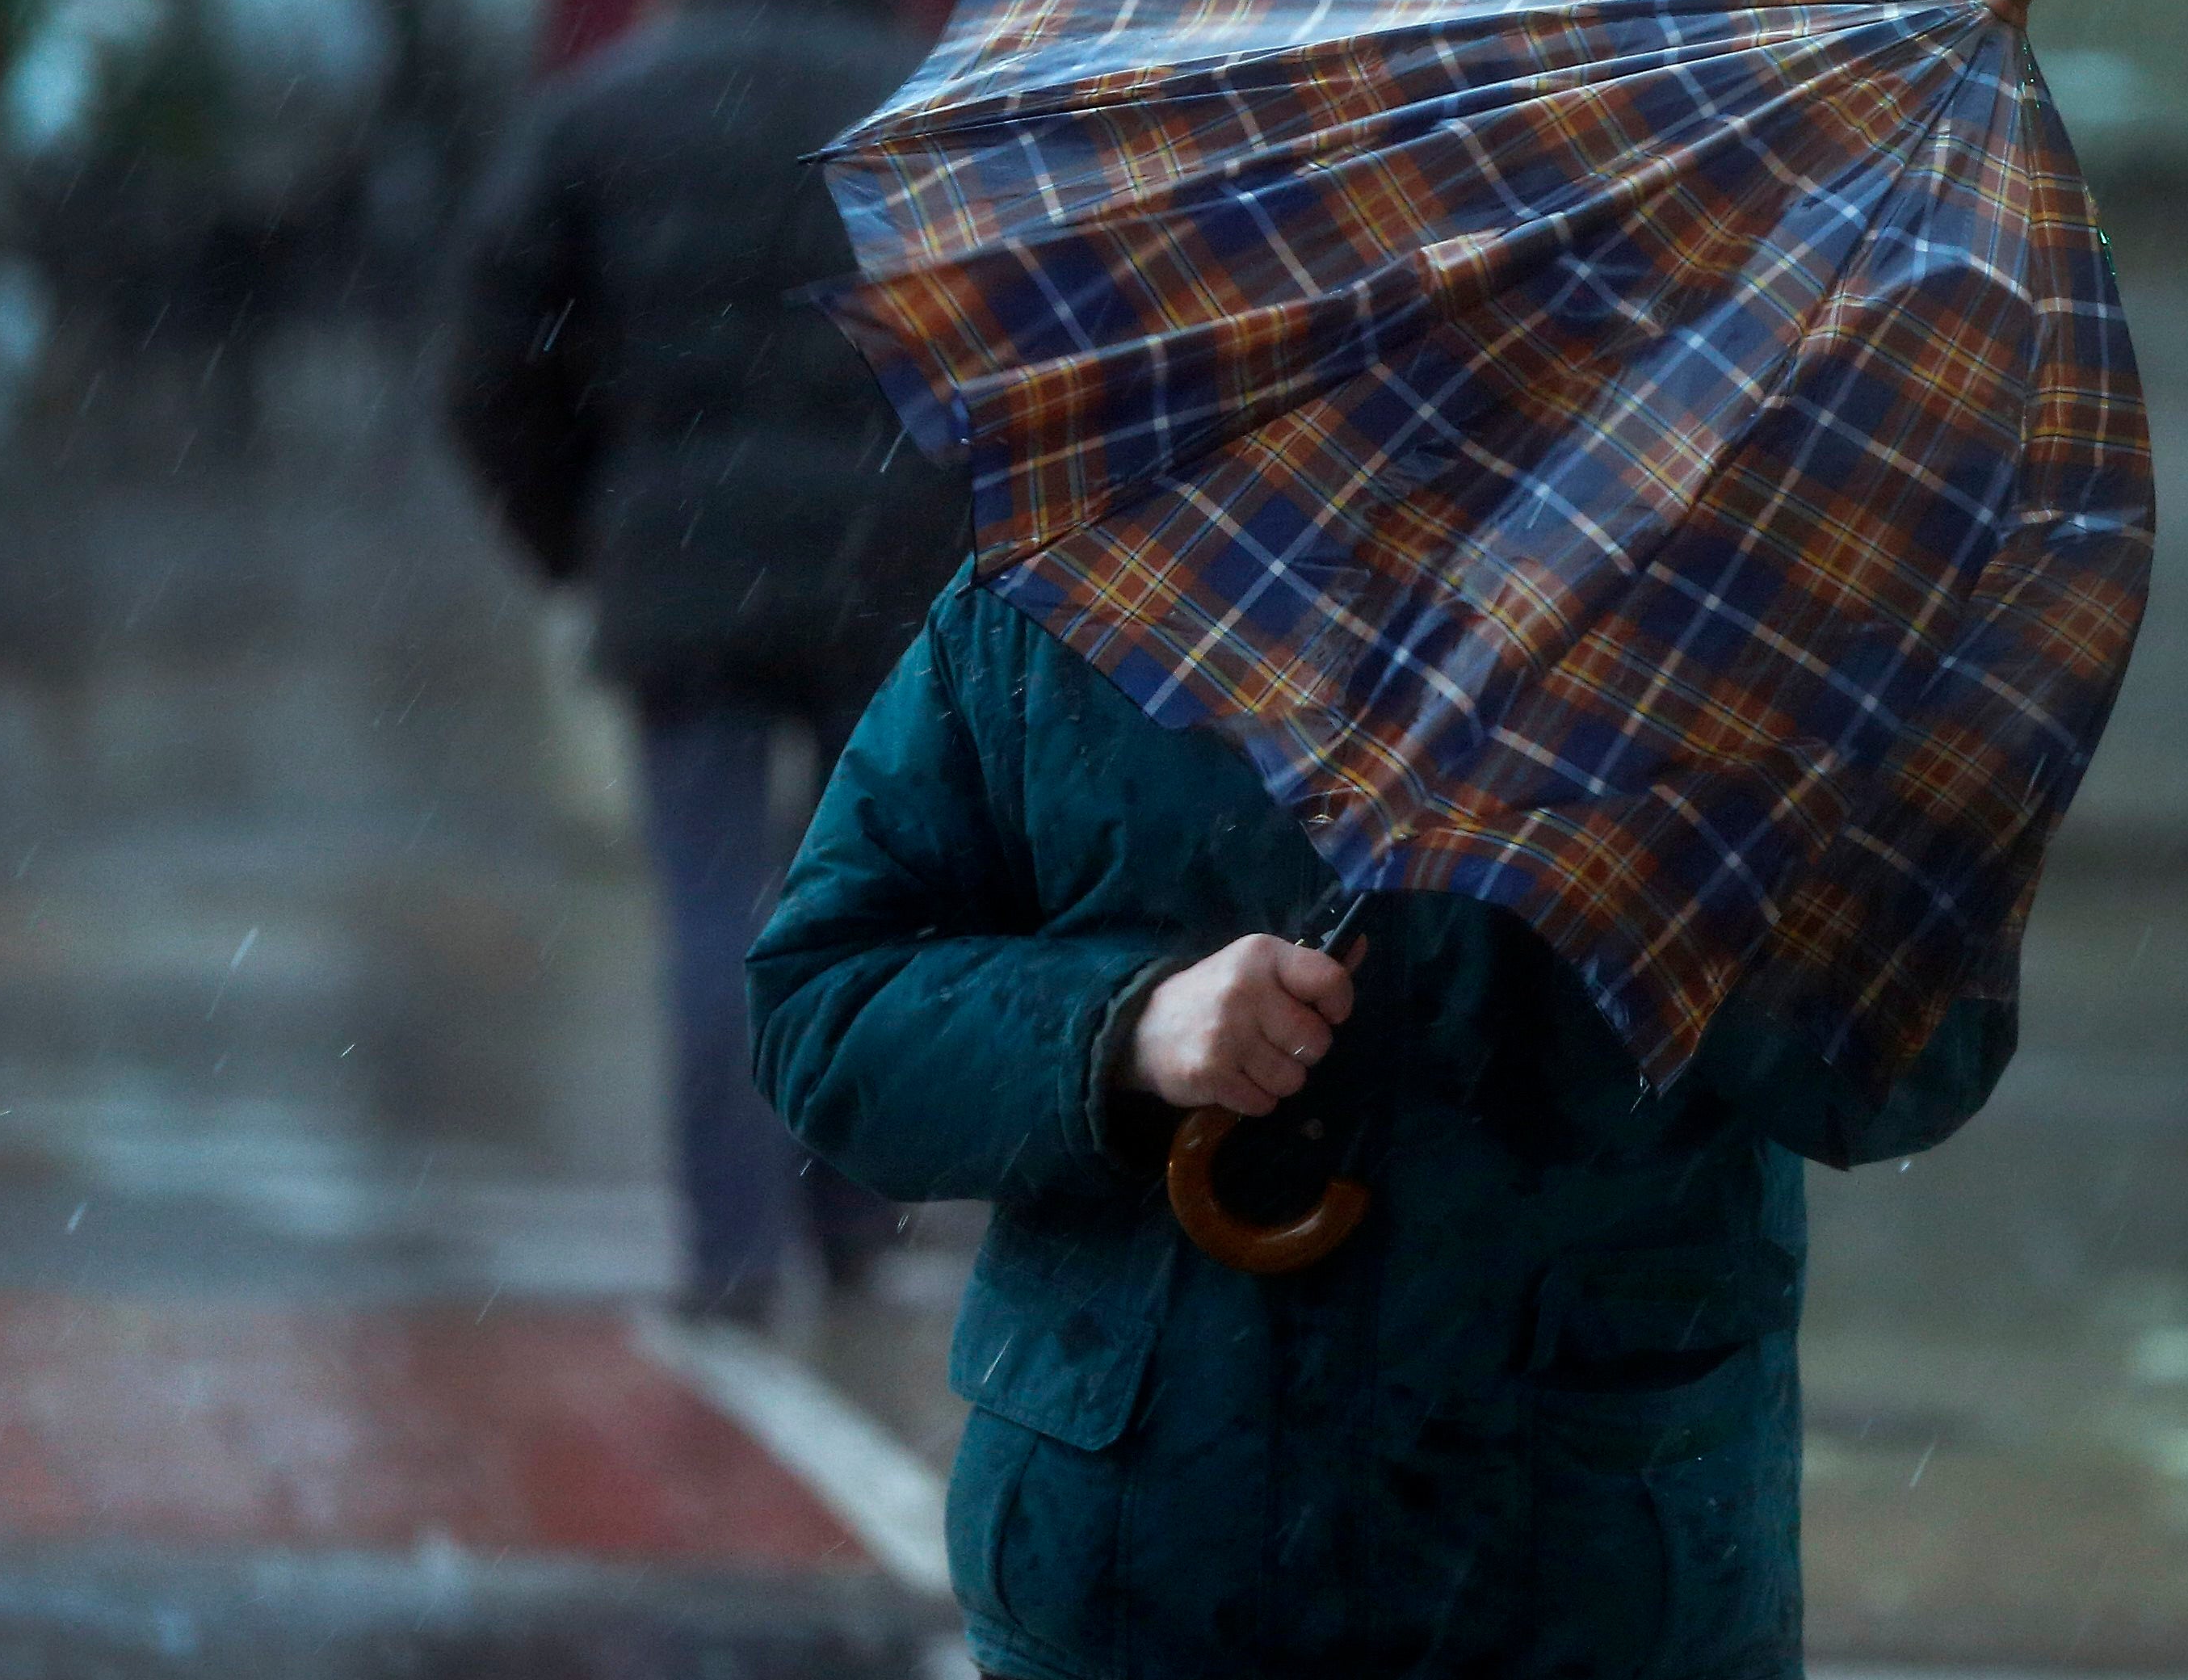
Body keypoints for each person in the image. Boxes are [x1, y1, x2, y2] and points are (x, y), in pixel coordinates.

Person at [748, 573, 2014, 1678]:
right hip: (1144, 1565)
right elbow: (828, 1002)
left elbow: (1912, 1060)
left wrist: (1708, 877)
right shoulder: (1076, 580)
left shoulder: (1766, 616)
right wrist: (1124, 1030)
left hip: (1600, 1570)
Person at [448, 0, 964, 1324]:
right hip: (893, 583)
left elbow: (489, 369)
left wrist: (578, 537)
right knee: (870, 897)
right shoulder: (932, 112)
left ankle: (732, 1247)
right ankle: (855, 1212)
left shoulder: (598, 118)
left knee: (711, 905)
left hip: (679, 575)